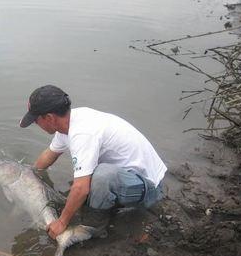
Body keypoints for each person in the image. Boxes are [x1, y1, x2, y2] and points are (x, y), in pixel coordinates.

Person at [19, 85, 167, 240]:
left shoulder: (82, 133)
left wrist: (62, 222)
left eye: (36, 121)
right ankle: (105, 204)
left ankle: (95, 229)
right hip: (130, 178)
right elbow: (49, 155)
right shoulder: (69, 122)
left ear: (49, 118)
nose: (36, 124)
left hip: (151, 189)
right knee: (86, 179)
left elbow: (81, 188)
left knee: (98, 177)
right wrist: (29, 174)